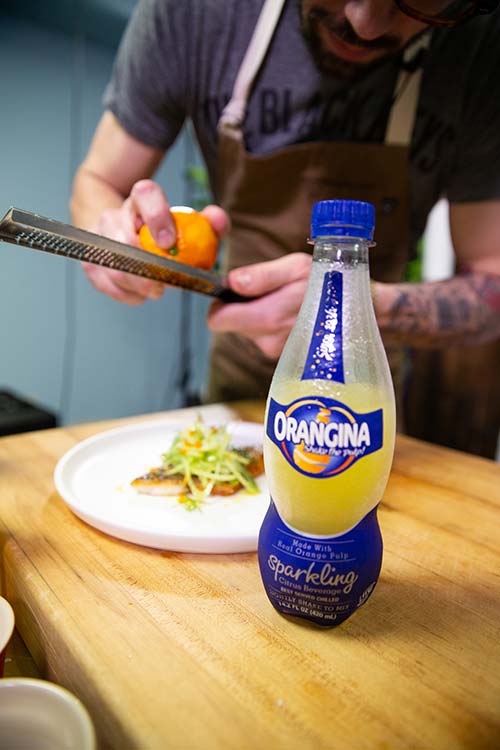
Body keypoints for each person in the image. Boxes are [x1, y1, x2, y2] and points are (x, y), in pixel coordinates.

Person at [71, 0, 500, 457]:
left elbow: (491, 277)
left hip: (361, 420)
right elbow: (99, 182)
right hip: (238, 398)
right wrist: (113, 240)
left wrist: (357, 308)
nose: (366, 25)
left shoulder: (481, 48)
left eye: (418, 2)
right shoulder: (195, 10)